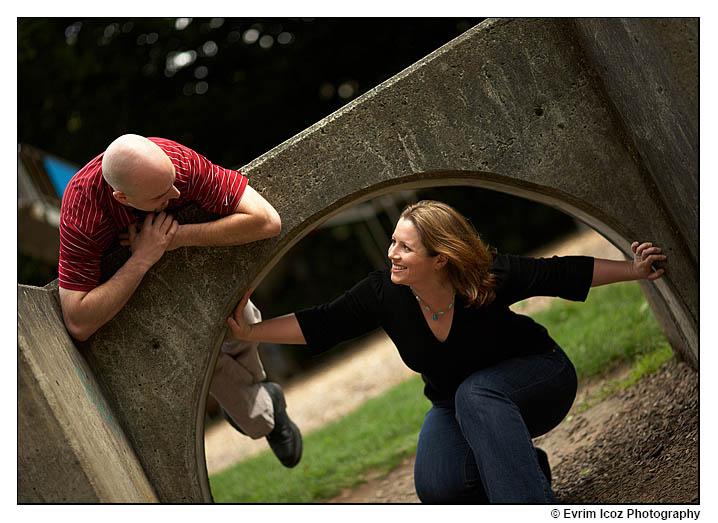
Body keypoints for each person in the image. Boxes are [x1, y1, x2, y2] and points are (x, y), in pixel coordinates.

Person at [223, 200, 667, 503]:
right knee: (440, 487)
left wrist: (635, 268)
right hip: (457, 405)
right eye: (393, 242)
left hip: (540, 378)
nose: (392, 253)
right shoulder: (384, 293)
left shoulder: (486, 276)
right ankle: (523, 468)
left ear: (440, 258)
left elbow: (560, 273)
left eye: (405, 247)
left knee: (477, 393)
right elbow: (322, 322)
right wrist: (249, 331)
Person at [57, 134, 302, 468]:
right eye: (161, 195)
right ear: (123, 197)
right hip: (140, 302)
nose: (175, 194)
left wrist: (175, 238)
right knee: (207, 358)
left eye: (173, 184)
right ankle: (265, 412)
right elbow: (77, 321)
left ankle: (262, 401)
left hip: (202, 268)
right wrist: (142, 257)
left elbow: (267, 221)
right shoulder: (82, 213)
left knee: (245, 321)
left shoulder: (179, 164)